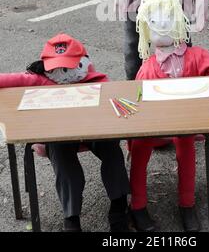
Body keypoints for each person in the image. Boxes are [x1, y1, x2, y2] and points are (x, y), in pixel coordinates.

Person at [0, 33, 130, 232]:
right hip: (58, 135)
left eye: (68, 65)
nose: (63, 72)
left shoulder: (97, 80)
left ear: (83, 62)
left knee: (113, 152)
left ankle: (119, 206)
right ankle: (71, 217)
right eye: (56, 67)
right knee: (63, 159)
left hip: (93, 132)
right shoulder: (38, 80)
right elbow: (7, 80)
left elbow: (115, 103)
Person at [128, 0, 209, 232]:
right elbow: (139, 100)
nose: (161, 27)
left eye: (167, 20)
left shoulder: (199, 57)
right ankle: (138, 205)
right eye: (154, 23)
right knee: (138, 145)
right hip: (155, 125)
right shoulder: (146, 68)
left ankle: (187, 204)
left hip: (187, 123)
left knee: (185, 145)